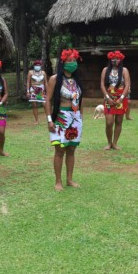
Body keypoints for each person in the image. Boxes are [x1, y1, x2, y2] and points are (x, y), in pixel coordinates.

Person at [45, 49, 83, 191]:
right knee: (60, 150)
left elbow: (80, 101)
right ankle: (58, 181)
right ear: (63, 62)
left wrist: (81, 119)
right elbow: (48, 100)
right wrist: (50, 120)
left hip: (75, 118)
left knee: (72, 149)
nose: (72, 63)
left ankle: (69, 179)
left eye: (74, 61)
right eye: (69, 61)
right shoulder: (55, 79)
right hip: (61, 118)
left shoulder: (77, 80)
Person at [100, 50, 130, 150]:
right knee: (109, 122)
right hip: (109, 99)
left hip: (121, 99)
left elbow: (127, 85)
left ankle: (115, 143)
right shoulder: (105, 70)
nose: (115, 60)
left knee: (119, 121)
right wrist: (107, 98)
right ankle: (109, 142)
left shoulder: (125, 70)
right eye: (113, 58)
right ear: (110, 59)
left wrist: (121, 98)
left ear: (121, 59)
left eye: (117, 58)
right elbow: (102, 85)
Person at [26, 60, 48, 124]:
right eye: (36, 65)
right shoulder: (30, 72)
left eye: (38, 65)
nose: (37, 67)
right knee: (35, 105)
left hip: (41, 89)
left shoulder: (43, 73)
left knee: (44, 104)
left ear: (40, 66)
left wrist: (47, 91)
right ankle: (36, 120)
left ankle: (49, 118)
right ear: (34, 66)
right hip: (33, 89)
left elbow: (45, 82)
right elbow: (28, 82)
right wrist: (28, 91)